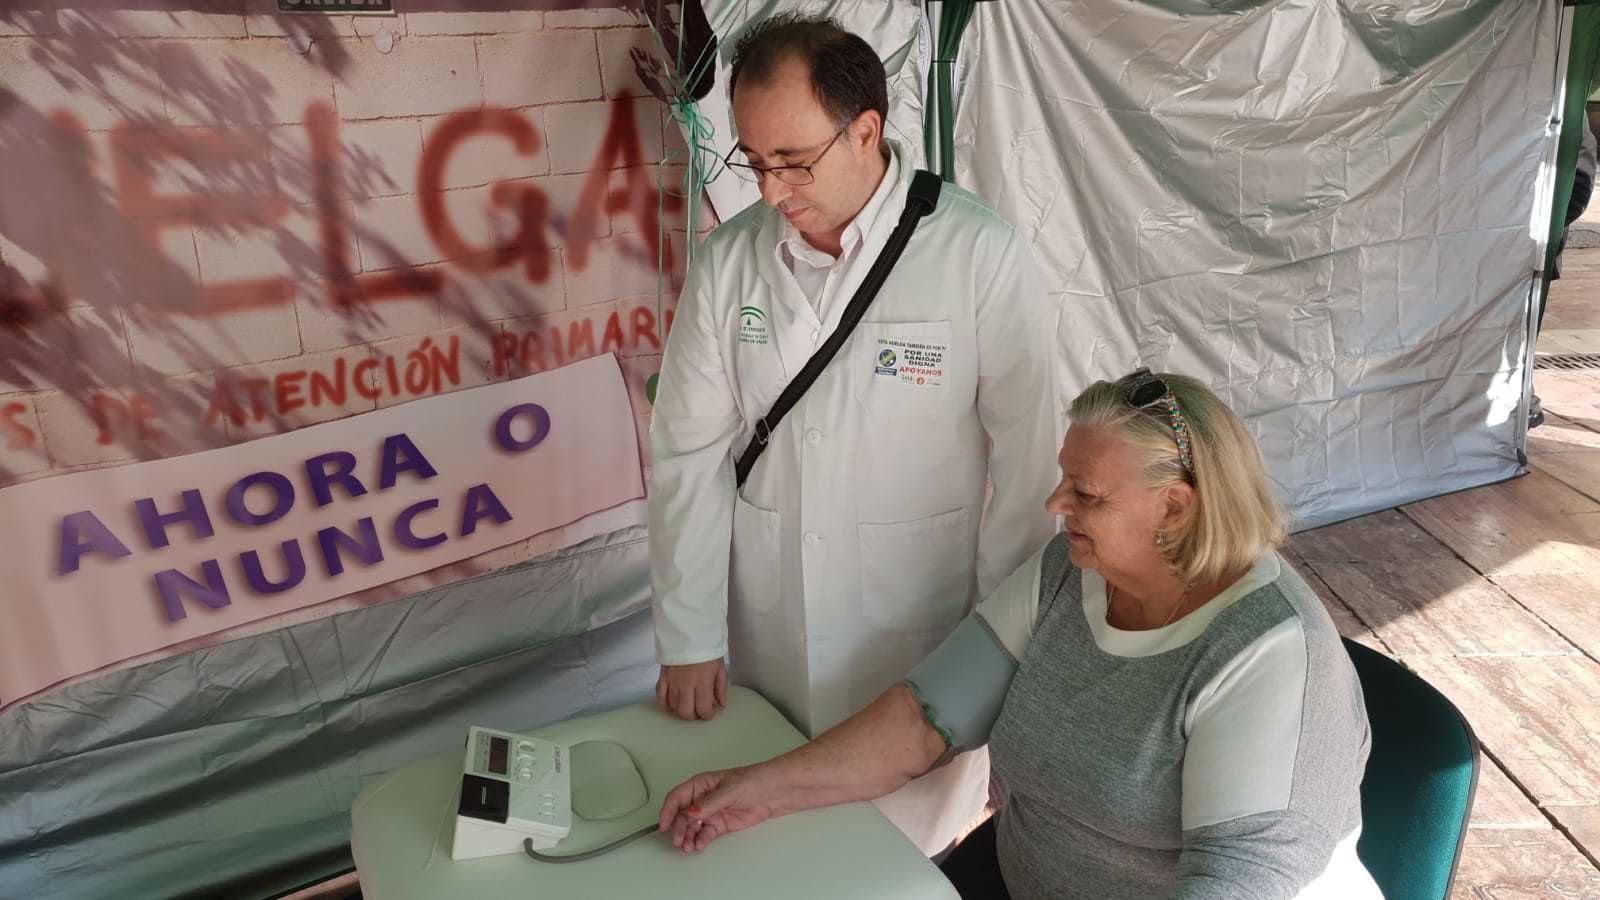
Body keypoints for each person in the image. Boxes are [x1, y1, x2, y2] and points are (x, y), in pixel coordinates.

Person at [657, 370, 1382, 900]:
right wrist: (759, 789)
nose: (1055, 504)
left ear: (1175, 508)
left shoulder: (1270, 657)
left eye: (1085, 494)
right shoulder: (1072, 572)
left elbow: (1236, 884)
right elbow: (922, 722)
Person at [647, 13, 1059, 855]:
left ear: (865, 131)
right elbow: (687, 454)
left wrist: (997, 651)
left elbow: (1028, 470)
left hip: (917, 632)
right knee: (776, 838)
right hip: (770, 631)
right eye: (754, 162)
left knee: (909, 851)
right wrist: (688, 634)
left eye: (793, 161)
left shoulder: (975, 253)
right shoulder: (730, 264)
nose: (771, 192)